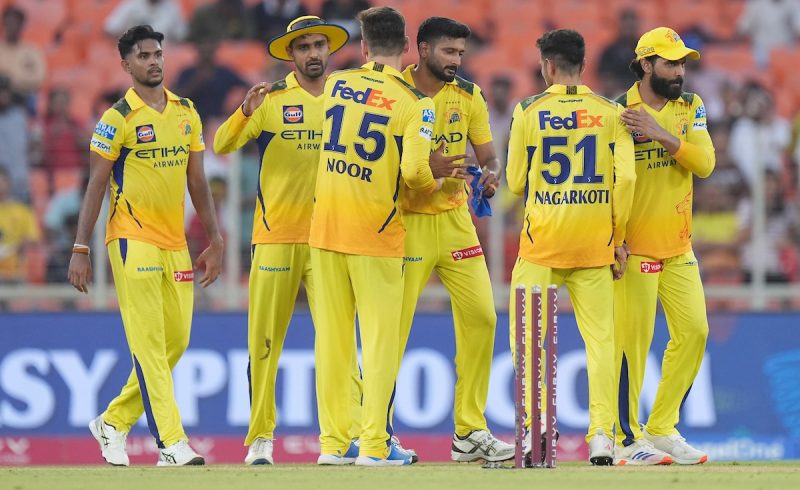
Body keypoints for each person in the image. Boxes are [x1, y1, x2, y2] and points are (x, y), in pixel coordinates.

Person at [68, 25, 223, 466]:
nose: (154, 61)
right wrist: (80, 248)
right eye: (144, 56)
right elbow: (96, 185)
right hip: (131, 240)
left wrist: (215, 238)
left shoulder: (186, 111)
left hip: (175, 243)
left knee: (176, 342)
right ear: (126, 65)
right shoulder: (117, 118)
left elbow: (197, 180)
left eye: (158, 54)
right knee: (150, 345)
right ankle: (171, 443)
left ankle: (113, 421)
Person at [213, 14, 354, 465]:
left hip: (329, 238)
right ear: (291, 55)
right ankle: (260, 438)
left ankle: (337, 441)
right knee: (265, 340)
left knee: (337, 341)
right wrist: (245, 111)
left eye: (319, 45)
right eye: (304, 47)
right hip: (276, 236)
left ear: (328, 50)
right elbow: (221, 145)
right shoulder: (271, 99)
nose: (313, 53)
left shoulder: (347, 98)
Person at [308, 6, 438, 467]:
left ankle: (332, 443)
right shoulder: (416, 103)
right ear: (405, 48)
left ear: (363, 47)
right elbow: (416, 173)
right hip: (376, 234)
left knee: (332, 342)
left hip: (325, 228)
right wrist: (438, 182)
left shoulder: (336, 83)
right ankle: (374, 446)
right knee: (379, 344)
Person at [506, 28, 636, 466]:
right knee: (601, 343)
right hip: (594, 245)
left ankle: (536, 432)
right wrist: (619, 237)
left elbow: (515, 182)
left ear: (547, 66)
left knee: (529, 343)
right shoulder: (610, 112)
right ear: (583, 65)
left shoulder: (528, 111)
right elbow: (627, 179)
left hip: (541, 244)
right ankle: (602, 437)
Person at [395, 16, 511, 463]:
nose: (456, 60)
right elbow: (379, 159)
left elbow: (489, 156)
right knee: (392, 330)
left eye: (461, 53)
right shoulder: (396, 92)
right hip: (407, 222)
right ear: (423, 49)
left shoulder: (468, 94)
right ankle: (376, 433)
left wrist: (491, 175)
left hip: (456, 219)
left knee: (483, 316)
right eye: (448, 51)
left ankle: (469, 431)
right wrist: (428, 166)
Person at [614, 26, 715, 465]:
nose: (679, 72)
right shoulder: (618, 111)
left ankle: (661, 427)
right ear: (646, 64)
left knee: (694, 332)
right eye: (670, 63)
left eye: (682, 63)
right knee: (632, 344)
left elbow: (705, 163)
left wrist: (661, 134)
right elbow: (610, 182)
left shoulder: (690, 105)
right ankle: (624, 438)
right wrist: (613, 239)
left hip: (678, 247)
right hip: (634, 248)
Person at [173, 37, 250, 120]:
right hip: (191, 120)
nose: (206, 50)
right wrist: (196, 81)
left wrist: (236, 110)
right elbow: (176, 98)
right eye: (203, 46)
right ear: (198, 49)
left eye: (209, 47)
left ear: (214, 49)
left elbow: (249, 88)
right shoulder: (187, 72)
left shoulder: (224, 72)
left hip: (217, 122)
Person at [0, 167, 40, 284]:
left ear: (9, 183)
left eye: (2, 180)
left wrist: (16, 247)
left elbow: (33, 238)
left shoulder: (22, 211)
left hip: (17, 272)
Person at [104, 0, 187, 41]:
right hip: (132, 54)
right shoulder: (131, 4)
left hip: (163, 56)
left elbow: (181, 35)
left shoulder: (172, 6)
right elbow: (110, 29)